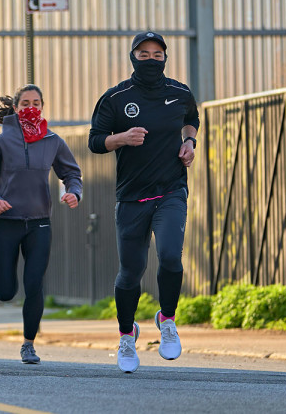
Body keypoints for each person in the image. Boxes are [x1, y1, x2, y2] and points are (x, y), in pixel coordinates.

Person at [89, 32, 199, 373]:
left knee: (169, 256)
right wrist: (121, 138)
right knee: (131, 272)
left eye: (157, 54)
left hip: (171, 191)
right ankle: (126, 333)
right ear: (132, 56)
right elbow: (94, 141)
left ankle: (166, 320)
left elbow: (191, 118)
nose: (151, 59)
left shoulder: (179, 92)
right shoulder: (116, 97)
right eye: (144, 53)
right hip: (132, 197)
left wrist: (189, 142)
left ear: (165, 58)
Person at [0, 85, 82, 365]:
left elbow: (71, 173)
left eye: (35, 102)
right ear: (17, 108)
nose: (30, 107)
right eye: (25, 103)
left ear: (43, 106)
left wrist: (74, 191)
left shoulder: (53, 140)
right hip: (5, 222)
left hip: (39, 224)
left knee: (34, 285)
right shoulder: (2, 141)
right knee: (5, 292)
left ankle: (28, 345)